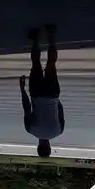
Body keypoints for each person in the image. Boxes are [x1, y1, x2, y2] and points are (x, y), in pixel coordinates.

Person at [20, 24, 65, 157]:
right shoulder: (30, 129)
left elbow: (60, 111)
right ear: (38, 146)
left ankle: (51, 34)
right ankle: (35, 38)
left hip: (52, 95)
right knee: (36, 63)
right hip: (37, 94)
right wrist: (22, 90)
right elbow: (27, 108)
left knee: (51, 64)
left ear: (49, 147)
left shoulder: (59, 131)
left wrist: (56, 99)